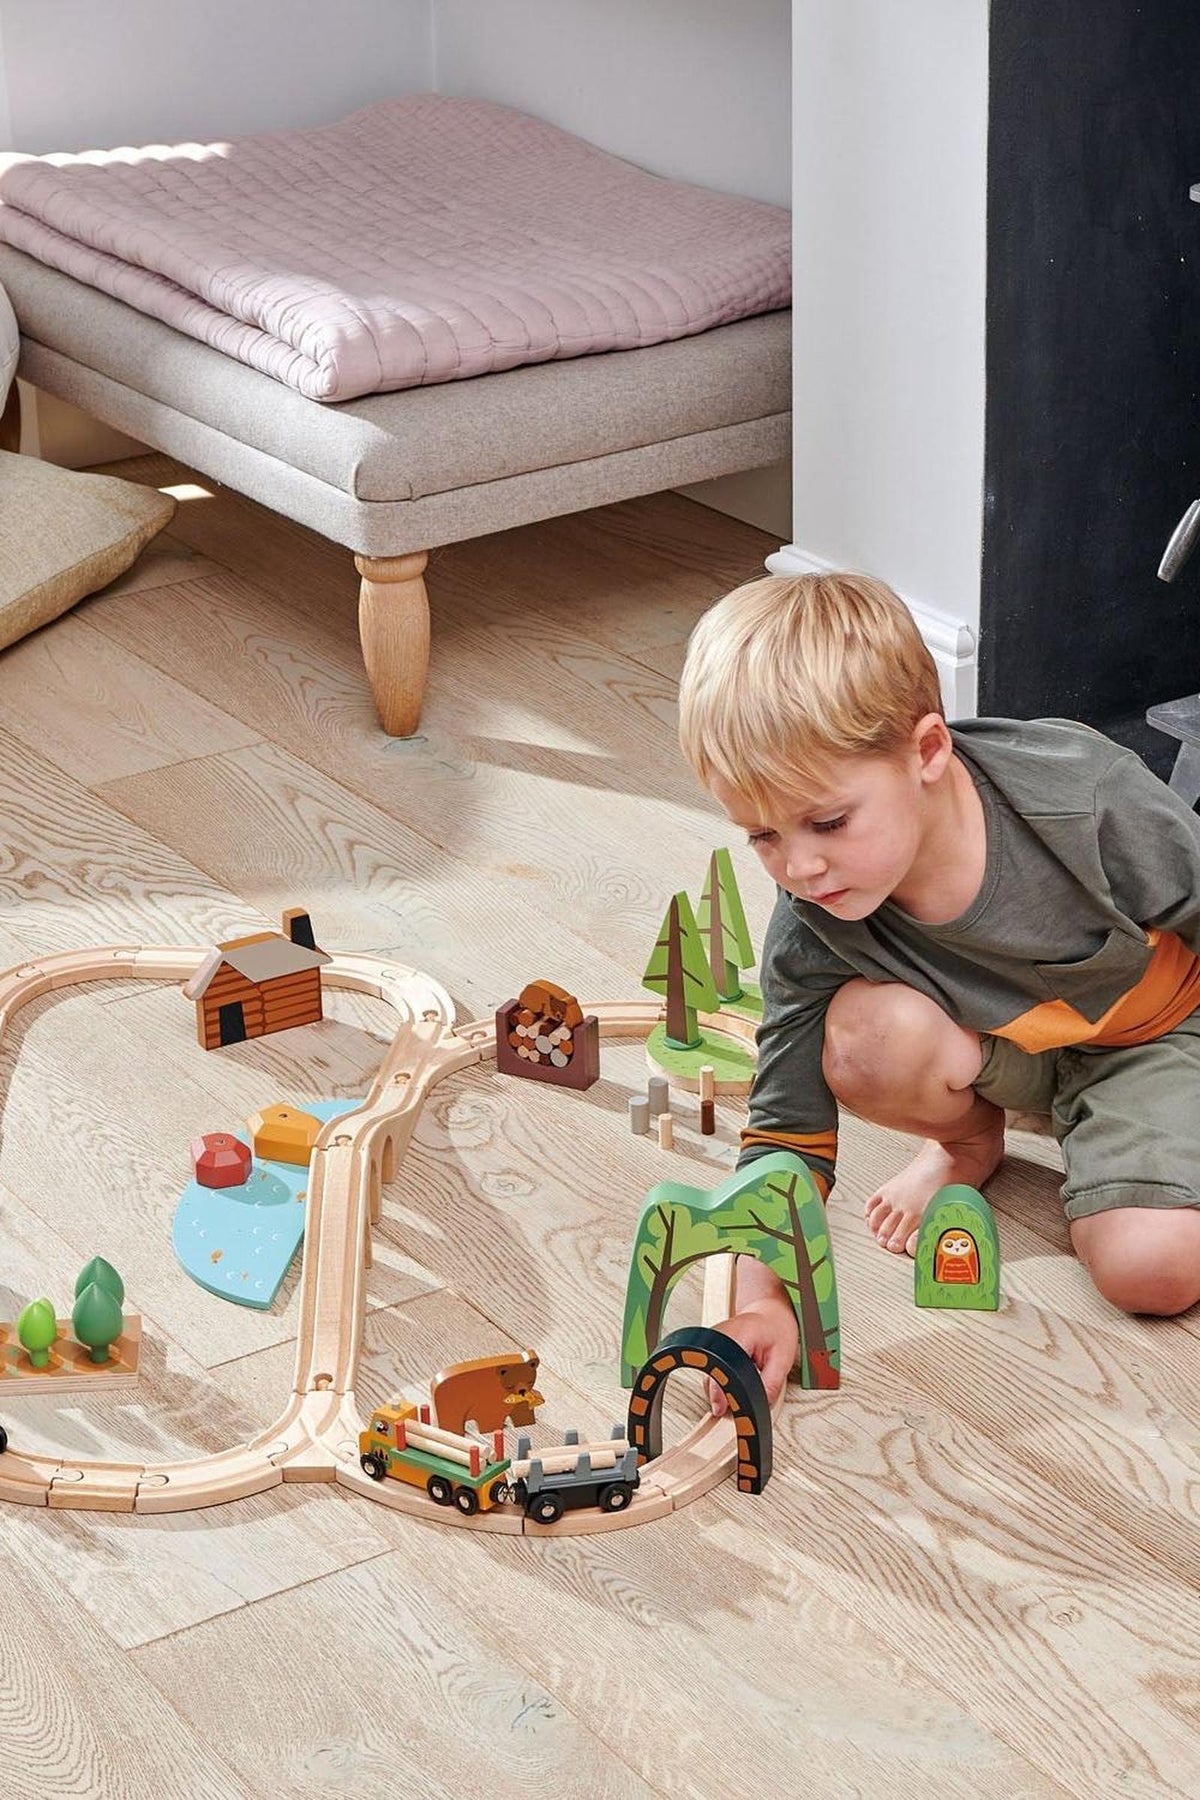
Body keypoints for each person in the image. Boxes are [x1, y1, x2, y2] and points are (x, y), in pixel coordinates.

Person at [677, 571, 1200, 1409]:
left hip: (1158, 1033)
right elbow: (784, 1132)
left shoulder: (1081, 796)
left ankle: (1130, 1137)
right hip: (1010, 1054)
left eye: (829, 822)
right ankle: (967, 1144)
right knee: (861, 1037)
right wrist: (760, 1300)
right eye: (763, 836)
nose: (800, 868)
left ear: (926, 751)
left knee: (1151, 1269)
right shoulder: (811, 916)